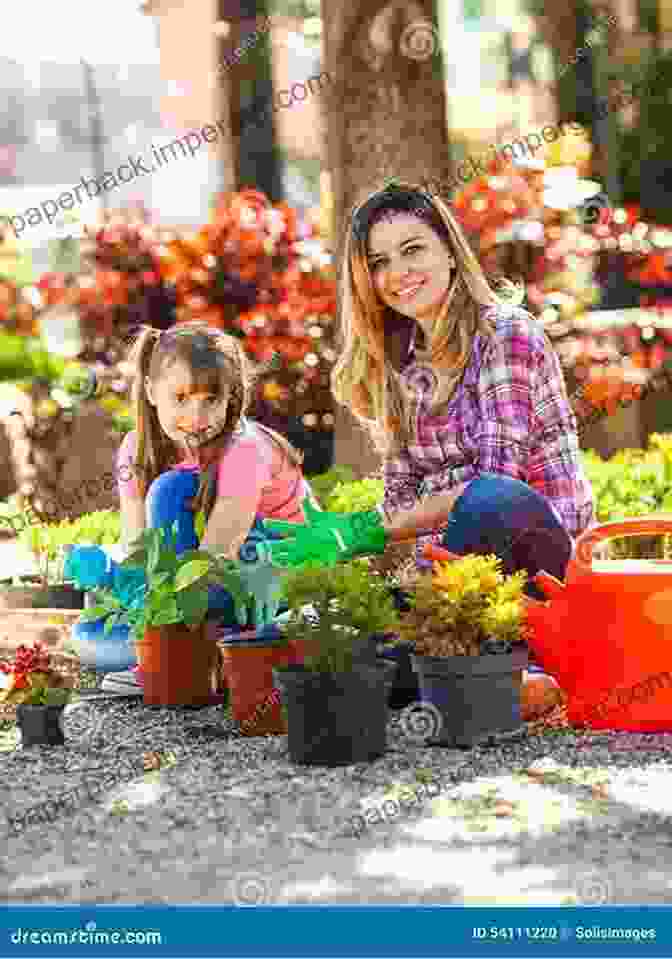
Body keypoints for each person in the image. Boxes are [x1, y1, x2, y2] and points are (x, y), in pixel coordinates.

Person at [263, 181, 595, 601]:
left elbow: (497, 483)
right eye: (379, 262)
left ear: (452, 254)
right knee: (345, 627)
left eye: (413, 249)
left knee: (491, 497)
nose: (398, 273)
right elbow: (402, 503)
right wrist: (351, 540)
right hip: (457, 573)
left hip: (547, 571)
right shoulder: (402, 367)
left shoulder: (504, 334)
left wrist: (367, 530)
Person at [67, 322, 315, 695]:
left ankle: (205, 652)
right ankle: (212, 651)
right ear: (151, 391)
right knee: (87, 636)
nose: (196, 417)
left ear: (230, 398)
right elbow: (140, 554)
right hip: (201, 588)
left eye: (211, 400)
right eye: (180, 398)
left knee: (171, 489)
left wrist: (155, 616)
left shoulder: (245, 450)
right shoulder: (137, 449)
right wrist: (113, 577)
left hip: (272, 571)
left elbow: (215, 557)